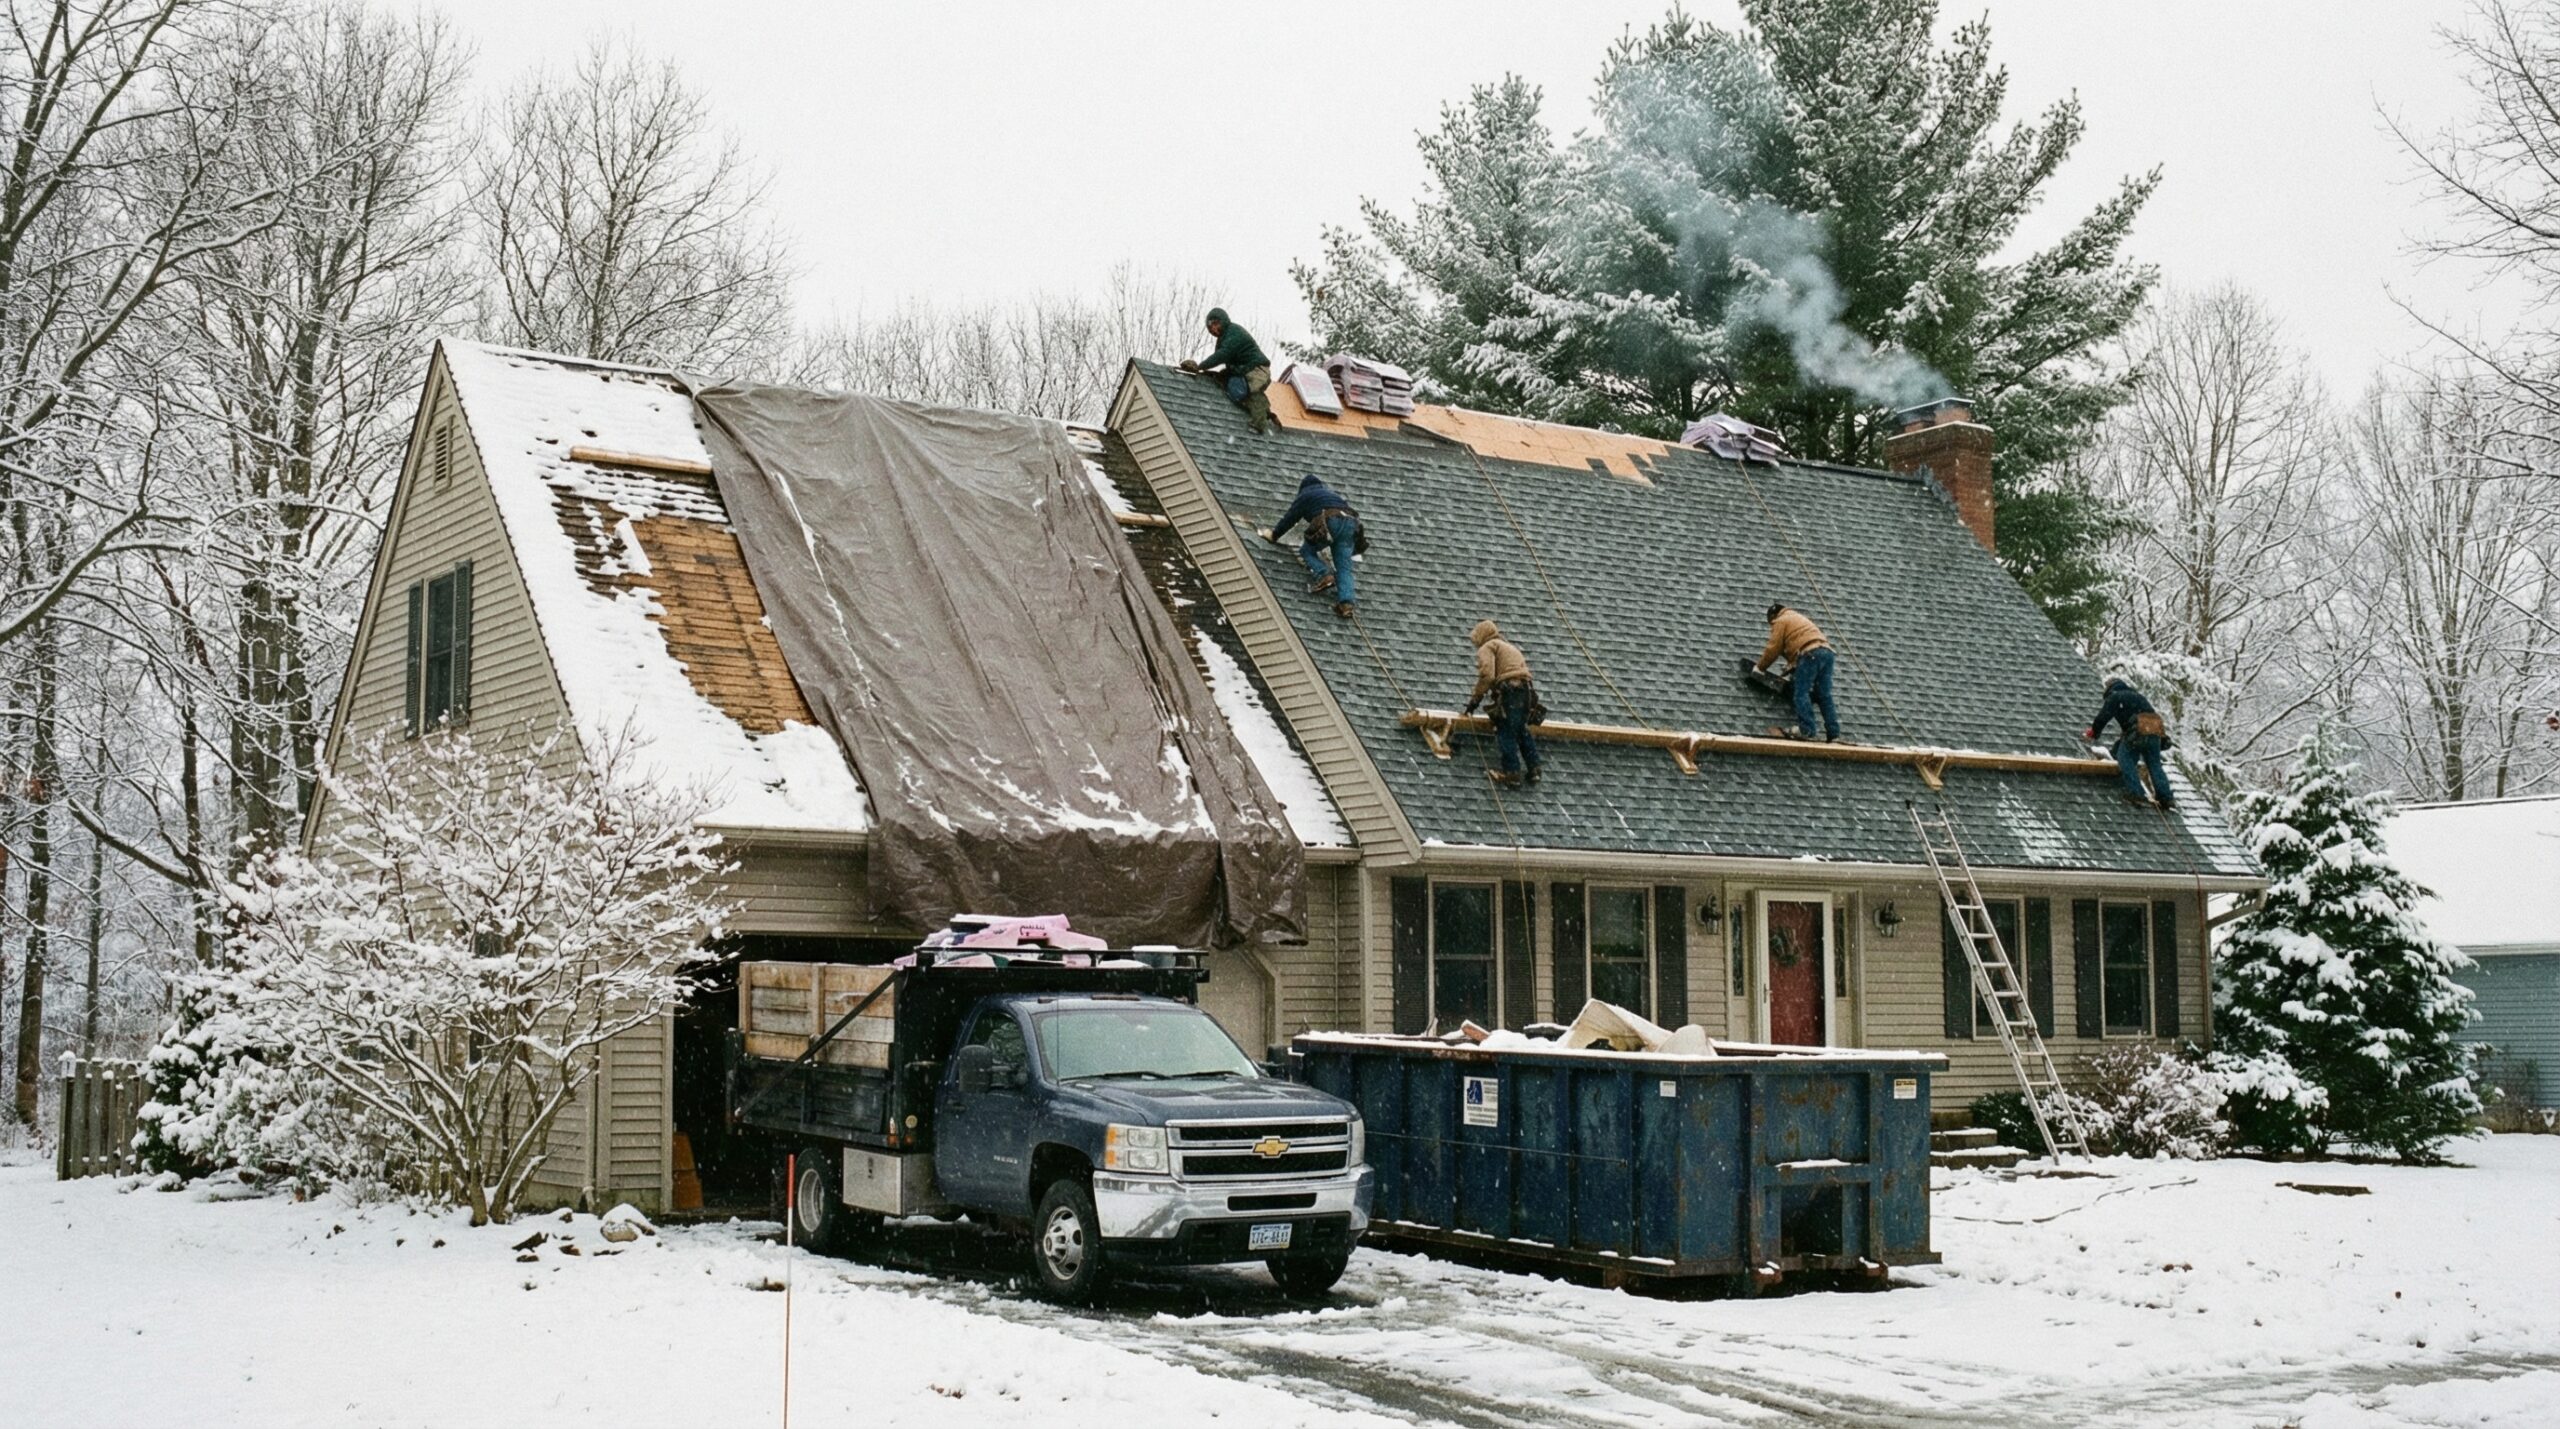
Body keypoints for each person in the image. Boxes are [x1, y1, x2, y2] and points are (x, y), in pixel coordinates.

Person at [1268, 474, 1361, 618]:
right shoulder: (1330, 495)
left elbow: (1290, 518)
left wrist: (1275, 535)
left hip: (1331, 521)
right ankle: (1346, 603)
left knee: (1307, 551)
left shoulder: (1305, 496)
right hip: (1351, 524)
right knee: (1343, 567)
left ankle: (1324, 575)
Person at [1464, 620, 1542, 786]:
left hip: (1510, 693)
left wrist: (1474, 701)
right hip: (1526, 692)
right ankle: (1534, 768)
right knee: (1521, 730)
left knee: (1505, 730)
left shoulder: (1488, 646)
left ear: (1481, 636)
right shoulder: (1509, 647)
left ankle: (1511, 773)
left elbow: (1487, 675)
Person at [1178, 306, 1275, 434]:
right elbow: (1219, 358)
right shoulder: (1223, 338)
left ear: (1223, 321)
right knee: (1226, 382)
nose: (1213, 329)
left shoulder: (1234, 332)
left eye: (1215, 324)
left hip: (1257, 368)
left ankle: (1259, 423)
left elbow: (1221, 356)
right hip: (1242, 369)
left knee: (1250, 391)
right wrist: (1206, 373)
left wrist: (1199, 366)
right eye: (1210, 327)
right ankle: (1265, 413)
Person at [1755, 603, 1839, 742]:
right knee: (1824, 695)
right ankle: (1833, 733)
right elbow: (1800, 645)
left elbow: (1773, 648)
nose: (1772, 627)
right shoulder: (1796, 618)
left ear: (1773, 617)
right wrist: (1791, 668)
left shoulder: (1780, 621)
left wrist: (1760, 668)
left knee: (1801, 692)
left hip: (1809, 654)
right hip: (1826, 653)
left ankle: (1806, 729)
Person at [2088, 676, 2176, 810]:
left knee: (2125, 759)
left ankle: (2136, 793)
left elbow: (2103, 716)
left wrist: (2094, 732)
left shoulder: (2115, 696)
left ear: (2109, 688)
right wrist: (2162, 740)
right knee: (2154, 764)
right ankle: (2166, 797)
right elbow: (2152, 718)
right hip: (2155, 730)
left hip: (2137, 729)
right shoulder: (2138, 696)